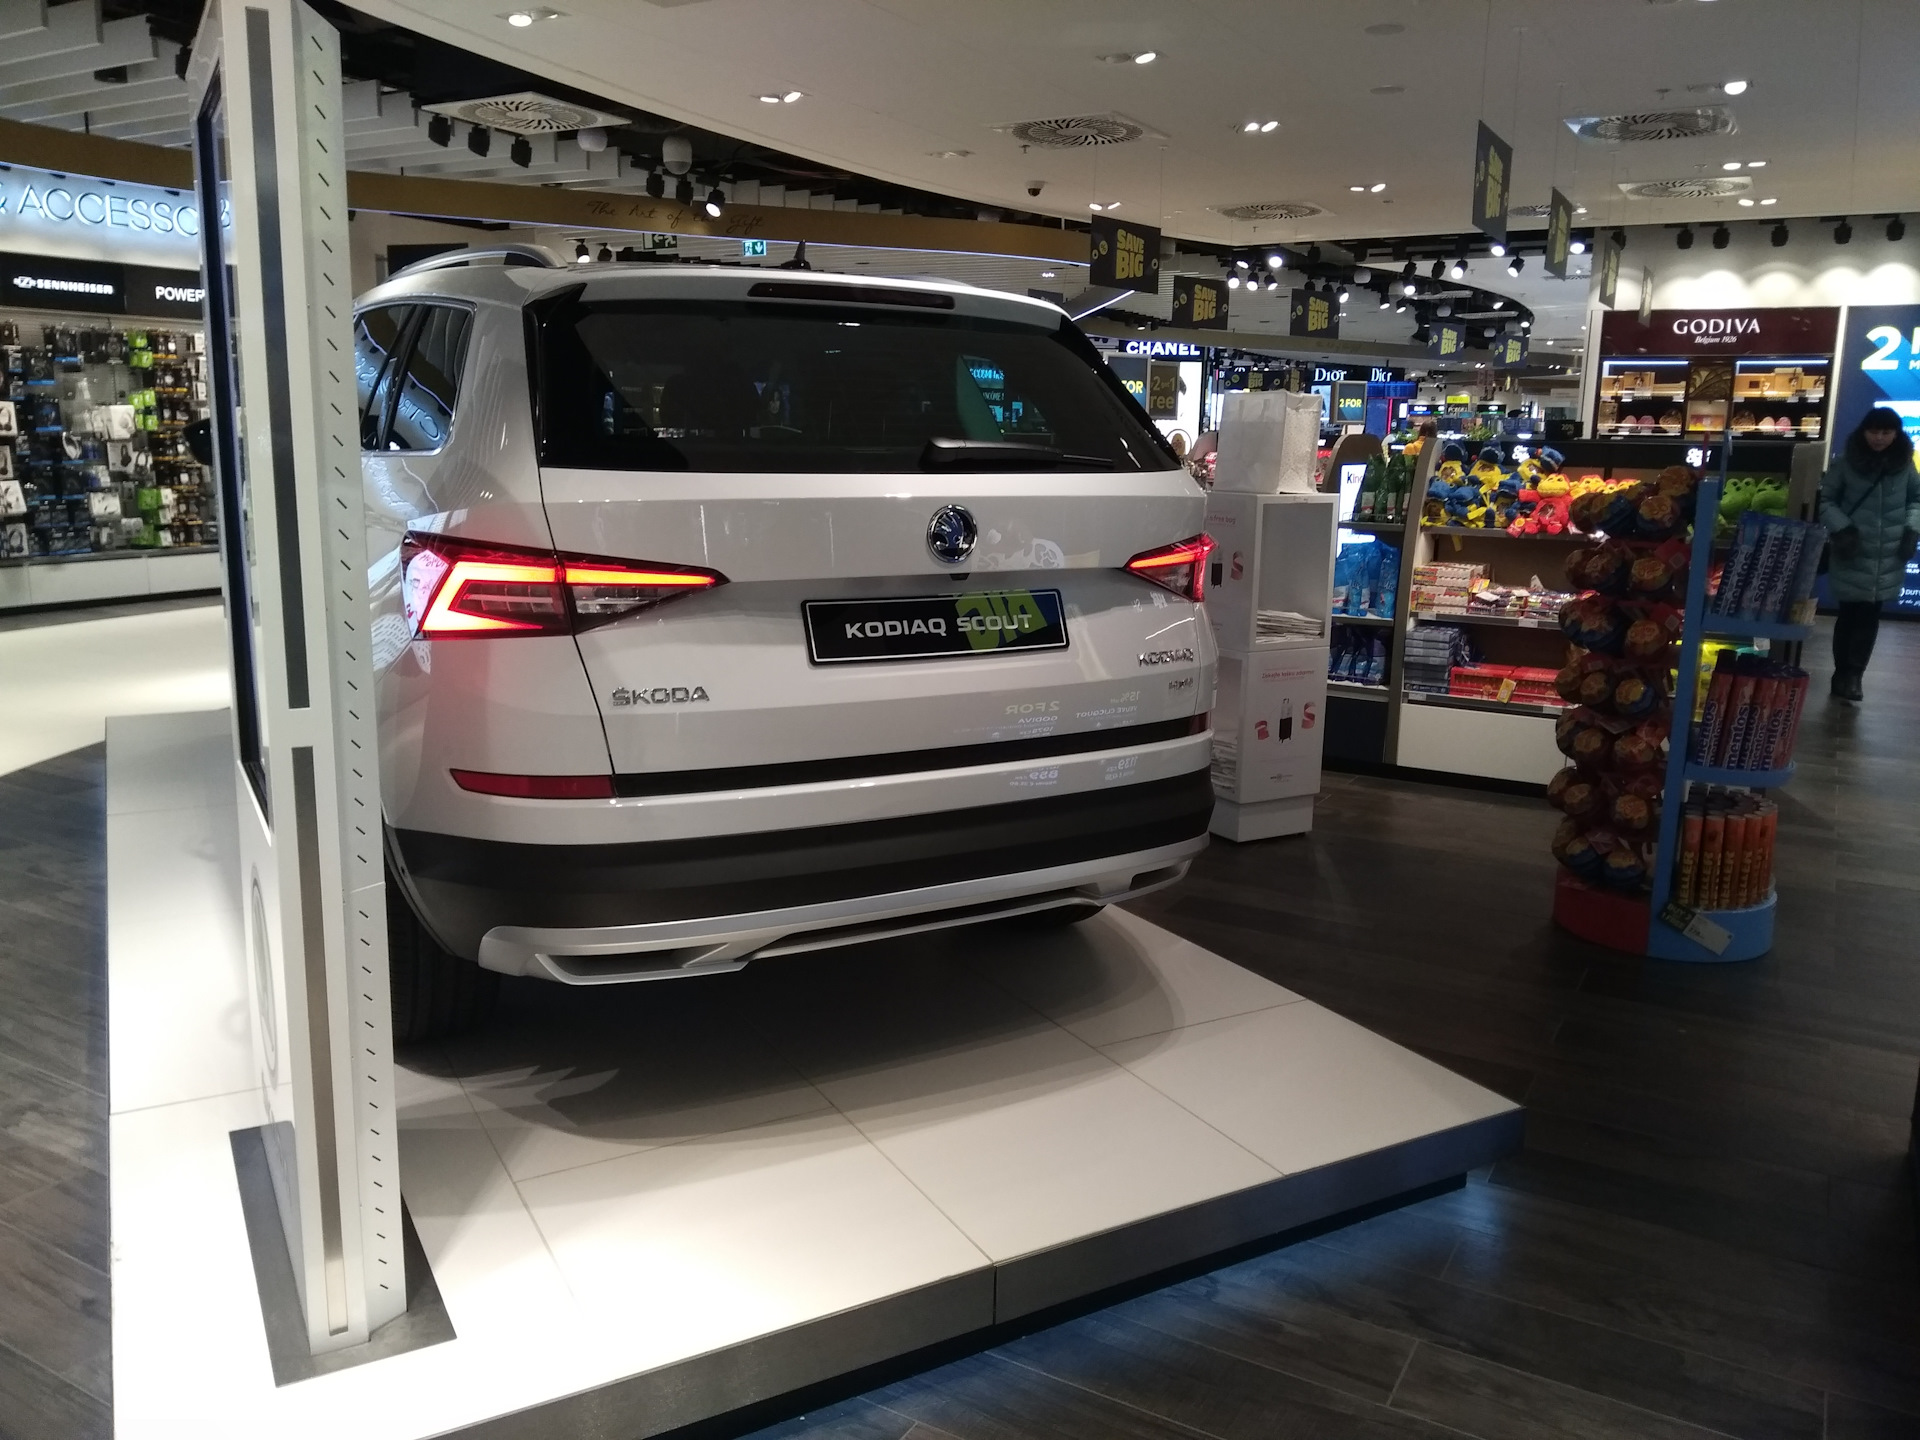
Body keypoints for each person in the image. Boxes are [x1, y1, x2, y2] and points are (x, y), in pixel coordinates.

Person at [1820, 406, 1920, 701]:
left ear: (1896, 434)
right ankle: (1840, 673)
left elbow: (1917, 499)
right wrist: (1843, 529)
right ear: (1864, 431)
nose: (1879, 438)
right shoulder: (1846, 462)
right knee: (1848, 615)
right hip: (1852, 551)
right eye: (1874, 431)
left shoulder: (1905, 465)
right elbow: (1825, 500)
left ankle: (1855, 677)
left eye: (1886, 432)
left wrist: (1911, 529)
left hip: (1888, 554)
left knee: (1870, 617)